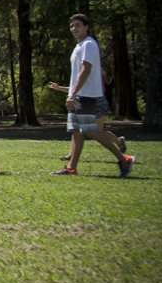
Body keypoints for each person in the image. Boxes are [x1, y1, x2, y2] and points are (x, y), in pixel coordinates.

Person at [48, 14, 135, 177]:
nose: (74, 28)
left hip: (86, 96)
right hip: (78, 96)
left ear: (86, 27)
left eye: (78, 25)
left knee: (90, 131)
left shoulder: (89, 44)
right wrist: (70, 93)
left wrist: (73, 94)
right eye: (72, 26)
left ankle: (124, 159)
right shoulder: (79, 46)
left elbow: (86, 70)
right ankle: (71, 168)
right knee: (76, 132)